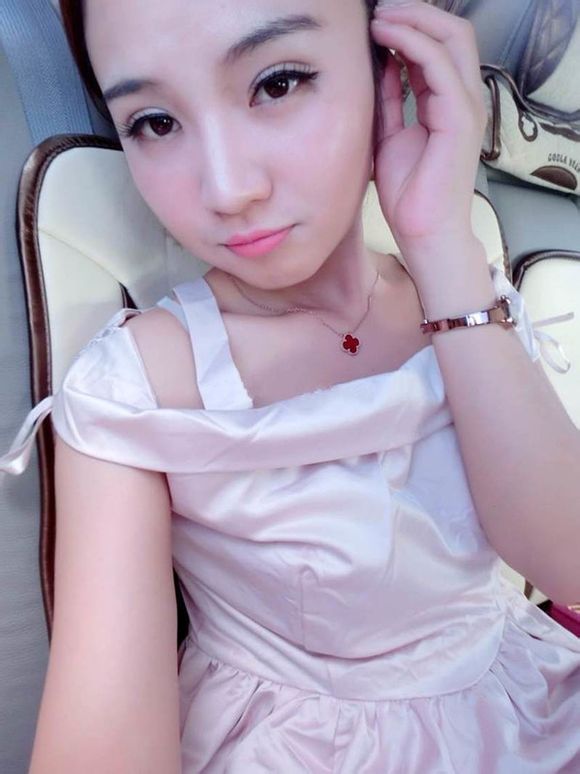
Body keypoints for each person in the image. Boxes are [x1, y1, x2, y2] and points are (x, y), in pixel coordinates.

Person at [1, 0, 580, 771]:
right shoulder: (139, 386)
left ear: (388, 69)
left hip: (531, 705)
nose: (227, 188)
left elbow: (565, 561)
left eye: (277, 83)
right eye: (156, 123)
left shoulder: (461, 291)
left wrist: (440, 241)